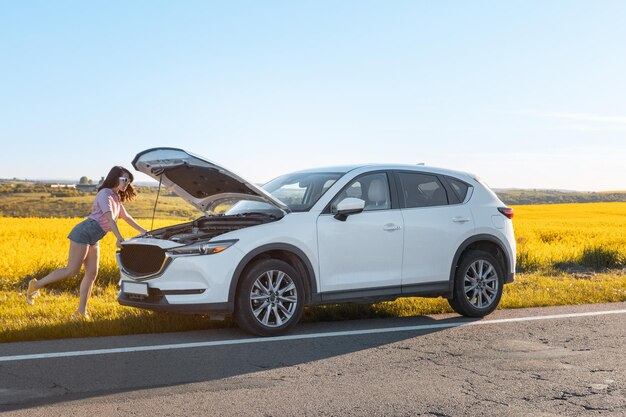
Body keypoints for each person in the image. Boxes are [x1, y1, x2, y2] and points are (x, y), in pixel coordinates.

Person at [26, 166, 147, 319]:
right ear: (115, 178)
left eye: (128, 181)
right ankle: (35, 285)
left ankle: (81, 312)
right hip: (84, 232)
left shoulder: (116, 197)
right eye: (124, 179)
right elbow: (110, 219)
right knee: (72, 270)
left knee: (91, 274)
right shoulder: (105, 194)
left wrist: (145, 231)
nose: (127, 183)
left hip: (94, 237)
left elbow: (127, 218)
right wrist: (119, 238)